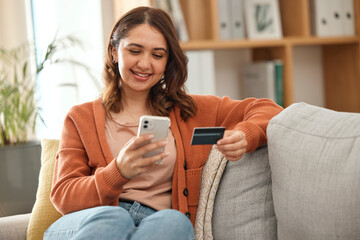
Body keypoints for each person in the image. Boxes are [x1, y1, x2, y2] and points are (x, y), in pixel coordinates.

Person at [43, 6, 283, 240]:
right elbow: (64, 196)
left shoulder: (188, 111)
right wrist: (118, 172)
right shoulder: (80, 118)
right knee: (115, 218)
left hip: (156, 224)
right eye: (135, 51)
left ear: (167, 61)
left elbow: (267, 109)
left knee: (175, 221)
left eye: (157, 55)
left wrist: (245, 135)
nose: (145, 64)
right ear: (115, 52)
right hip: (92, 222)